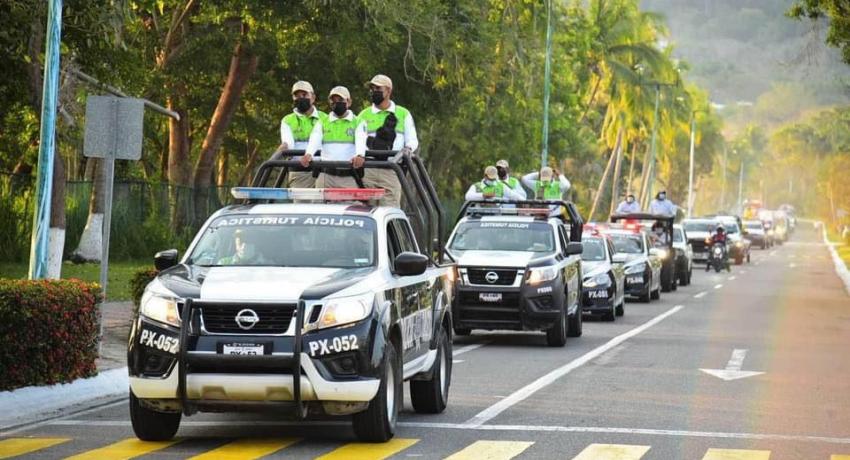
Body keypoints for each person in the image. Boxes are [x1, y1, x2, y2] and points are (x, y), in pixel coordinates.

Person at [358, 74, 418, 208]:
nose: (374, 91)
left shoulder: (403, 113)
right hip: (368, 170)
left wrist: (408, 149)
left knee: (390, 212)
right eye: (372, 88)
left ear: (389, 91)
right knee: (366, 212)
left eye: (378, 88)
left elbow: (412, 140)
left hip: (392, 169)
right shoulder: (363, 115)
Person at [303, 86, 368, 188]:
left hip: (348, 176)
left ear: (349, 102)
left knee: (349, 204)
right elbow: (315, 138)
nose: (336, 103)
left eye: (340, 100)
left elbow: (361, 139)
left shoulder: (358, 122)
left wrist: (360, 155)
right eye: (333, 100)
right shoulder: (323, 122)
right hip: (325, 176)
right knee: (319, 204)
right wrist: (309, 154)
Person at [279, 81, 326, 188]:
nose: (300, 98)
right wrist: (284, 146)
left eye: (304, 95)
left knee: (323, 204)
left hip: (323, 169)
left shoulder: (325, 119)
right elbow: (288, 142)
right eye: (296, 95)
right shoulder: (287, 120)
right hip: (299, 170)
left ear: (313, 97)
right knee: (302, 204)